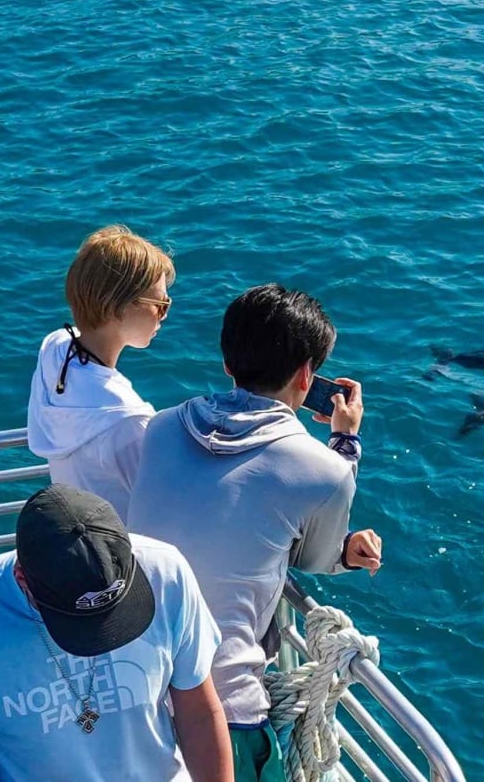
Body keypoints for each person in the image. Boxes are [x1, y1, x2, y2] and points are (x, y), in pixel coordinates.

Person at [127, 283, 383, 782]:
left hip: (133, 682)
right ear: (308, 375)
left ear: (228, 362)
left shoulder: (159, 427)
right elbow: (313, 559)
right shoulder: (324, 469)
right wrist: (345, 441)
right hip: (223, 706)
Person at [0, 485, 231, 782]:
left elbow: (198, 710)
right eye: (79, 622)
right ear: (22, 578)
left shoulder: (166, 573)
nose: (101, 635)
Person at [26, 225, 174, 518]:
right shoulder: (128, 421)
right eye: (160, 304)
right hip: (123, 553)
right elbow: (163, 510)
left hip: (76, 537)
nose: (164, 314)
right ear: (116, 307)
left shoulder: (54, 351)